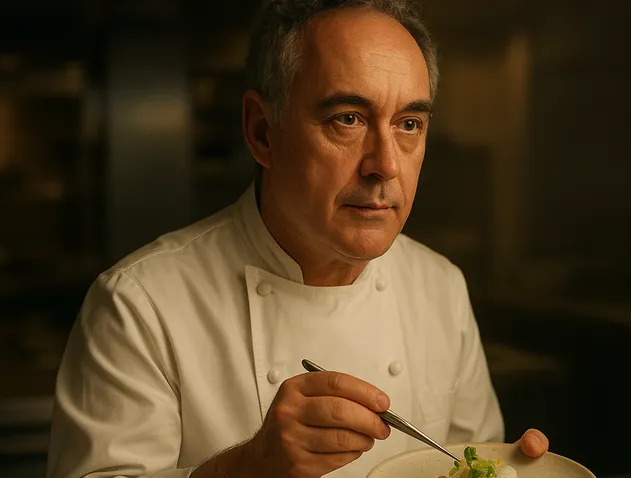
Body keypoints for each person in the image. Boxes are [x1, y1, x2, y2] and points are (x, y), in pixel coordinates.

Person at [46, 1, 550, 476]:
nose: (386, 166)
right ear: (262, 131)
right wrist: (248, 470)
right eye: (347, 119)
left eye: (409, 124)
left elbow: (469, 460)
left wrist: (506, 468)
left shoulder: (439, 286)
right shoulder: (140, 305)